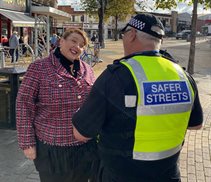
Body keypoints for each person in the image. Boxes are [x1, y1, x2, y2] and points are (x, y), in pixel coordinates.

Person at [72, 13, 203, 182]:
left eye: (124, 34)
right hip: (168, 176)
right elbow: (196, 124)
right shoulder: (183, 75)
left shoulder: (115, 76)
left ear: (132, 34)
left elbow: (81, 133)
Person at [16, 28, 98, 182]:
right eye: (73, 41)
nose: (77, 47)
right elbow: (23, 104)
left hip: (84, 147)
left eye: (82, 45)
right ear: (61, 41)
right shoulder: (39, 68)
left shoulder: (87, 70)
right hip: (53, 150)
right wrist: (27, 143)